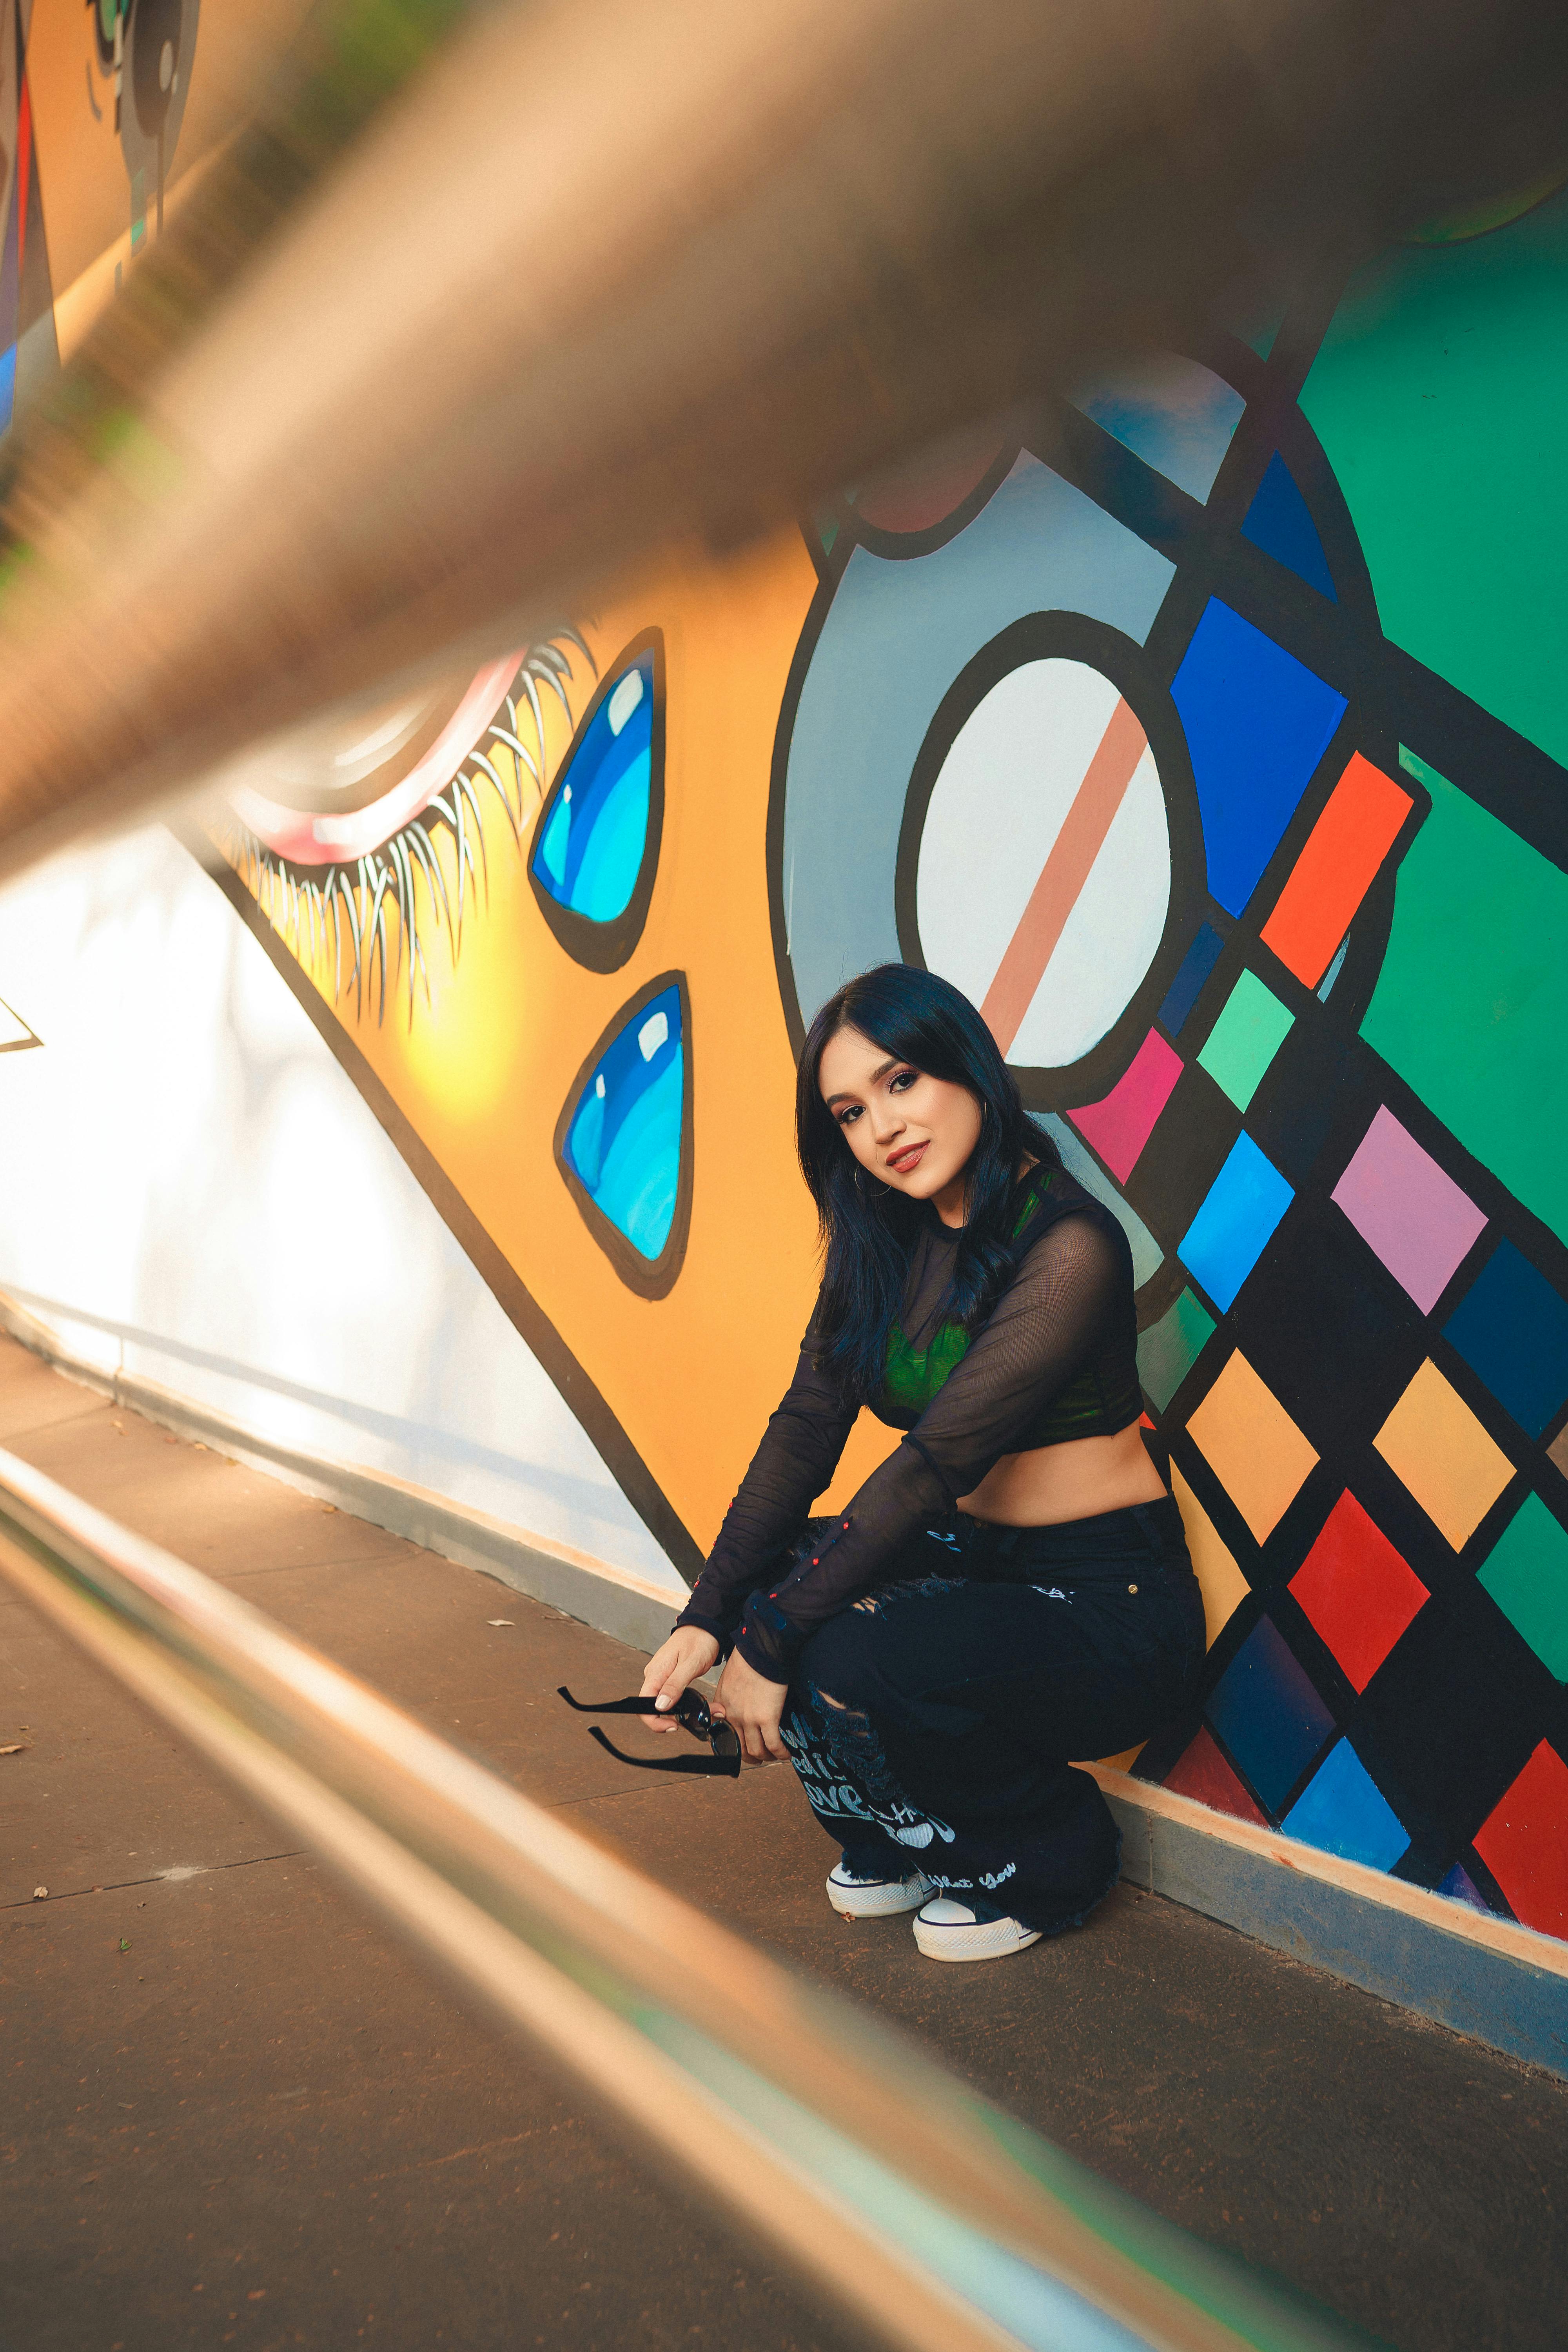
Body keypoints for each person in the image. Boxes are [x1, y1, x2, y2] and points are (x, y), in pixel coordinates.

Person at [640, 964, 1205, 1963]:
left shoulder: (1068, 1243)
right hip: (975, 1564)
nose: (882, 1128)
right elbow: (806, 1427)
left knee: (841, 1643)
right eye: (851, 1111)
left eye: (901, 1083)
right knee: (781, 1578)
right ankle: (906, 1837)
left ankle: (1048, 1858)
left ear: (966, 1070)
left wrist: (767, 1641)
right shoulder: (881, 1242)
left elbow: (933, 1463)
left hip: (1106, 1604)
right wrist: (711, 1609)